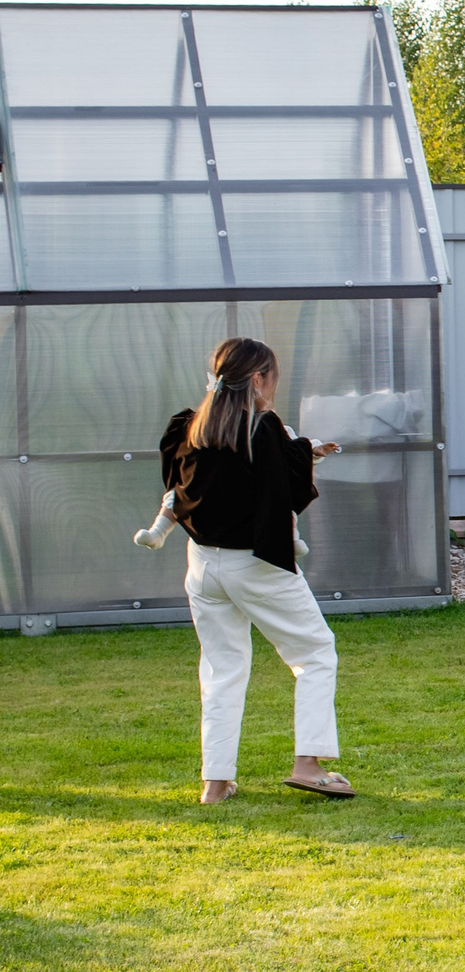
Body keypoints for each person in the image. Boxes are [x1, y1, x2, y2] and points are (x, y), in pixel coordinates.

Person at [160, 337, 351, 804]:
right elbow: (285, 489)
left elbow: (180, 486)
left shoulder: (188, 427)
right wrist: (303, 453)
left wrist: (298, 450)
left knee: (221, 668)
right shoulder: (262, 429)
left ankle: (215, 783)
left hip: (202, 565)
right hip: (255, 564)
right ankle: (309, 764)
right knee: (315, 653)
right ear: (260, 378)